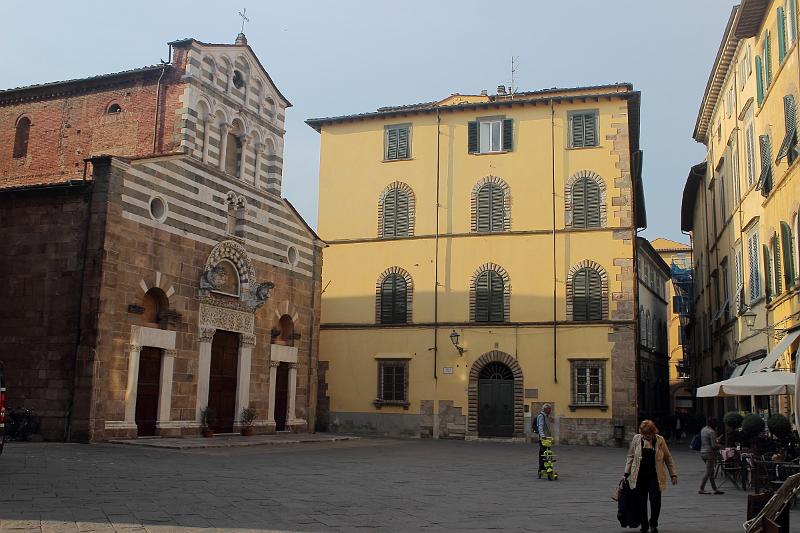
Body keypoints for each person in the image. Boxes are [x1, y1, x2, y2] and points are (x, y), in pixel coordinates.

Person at [624, 420, 677, 533]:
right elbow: (630, 456)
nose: (647, 436)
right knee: (641, 502)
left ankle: (653, 524)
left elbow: (668, 458)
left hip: (655, 477)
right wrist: (626, 473)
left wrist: (673, 474)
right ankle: (644, 525)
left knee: (655, 502)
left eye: (649, 433)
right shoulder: (636, 439)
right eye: (645, 433)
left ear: (653, 432)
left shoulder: (660, 440)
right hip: (639, 477)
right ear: (641, 432)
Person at [698, 417, 724, 495]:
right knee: (708, 471)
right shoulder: (712, 432)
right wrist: (720, 445)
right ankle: (701, 488)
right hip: (709, 453)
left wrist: (716, 440)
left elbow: (707, 441)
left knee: (711, 471)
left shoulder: (703, 429)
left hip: (703, 452)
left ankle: (715, 489)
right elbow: (713, 446)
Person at [536, 404, 553, 476]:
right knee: (542, 454)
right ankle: (541, 468)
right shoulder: (541, 416)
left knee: (547, 453)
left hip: (547, 439)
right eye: (549, 409)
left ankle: (546, 467)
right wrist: (542, 436)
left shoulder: (546, 416)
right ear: (545, 409)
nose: (550, 411)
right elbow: (540, 427)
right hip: (543, 439)